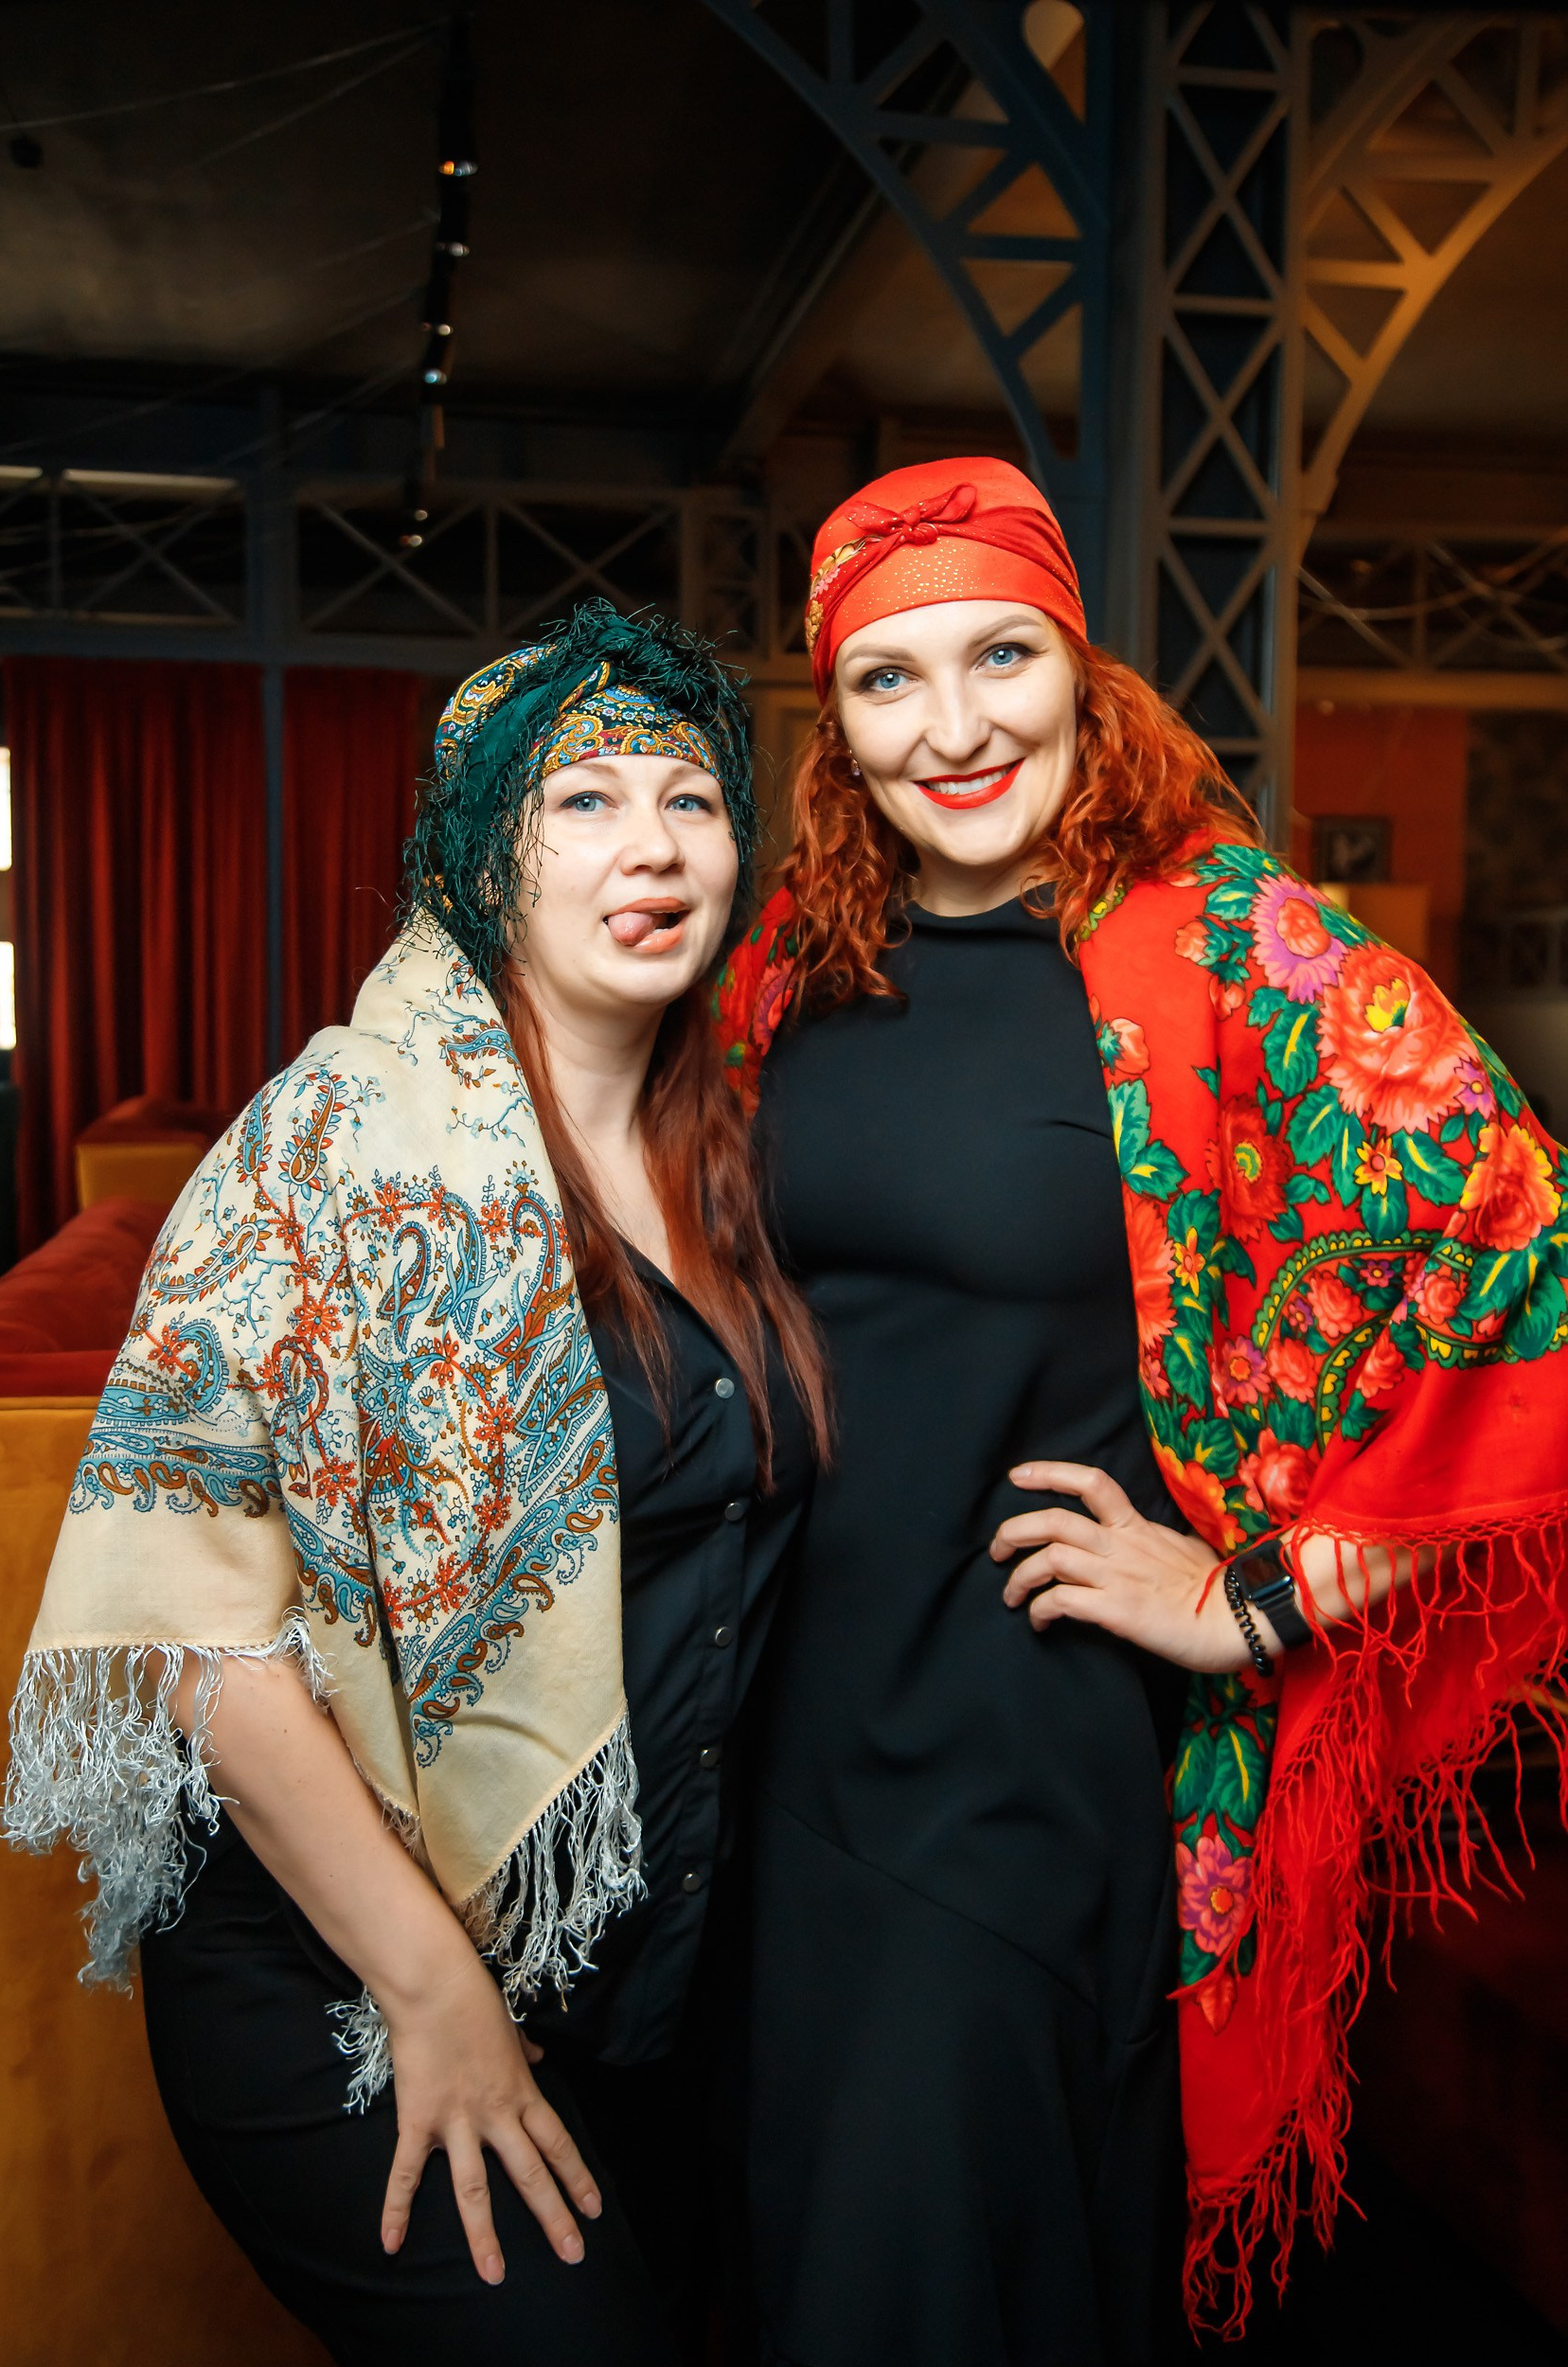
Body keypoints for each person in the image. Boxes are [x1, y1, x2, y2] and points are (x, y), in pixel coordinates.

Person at [712, 456, 1568, 2365]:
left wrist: (1257, 1597)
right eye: (888, 678)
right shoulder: (796, 956)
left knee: (922, 2284)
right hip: (784, 1743)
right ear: (835, 719)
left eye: (1001, 657)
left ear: (1080, 667)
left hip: (1016, 1748)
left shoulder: (1224, 945)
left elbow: (1529, 1261)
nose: (952, 728)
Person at [3, 602, 828, 2367]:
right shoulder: (337, 1134)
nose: (654, 845)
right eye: (583, 801)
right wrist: (437, 1989)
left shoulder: (729, 1156)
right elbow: (192, 1633)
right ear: (480, 856)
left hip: (621, 1966)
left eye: (690, 798)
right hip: (343, 1955)